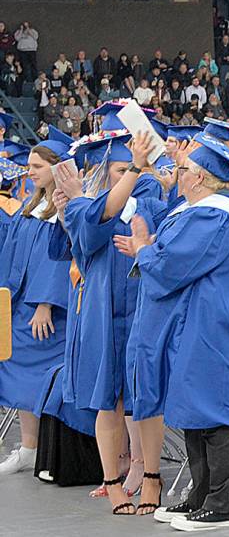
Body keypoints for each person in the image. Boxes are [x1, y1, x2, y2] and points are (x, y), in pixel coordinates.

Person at [115, 133, 229, 530]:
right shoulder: (199, 209)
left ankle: (223, 505)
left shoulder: (215, 215)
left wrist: (144, 249)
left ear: (198, 178)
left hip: (219, 327)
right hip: (202, 324)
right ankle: (201, 495)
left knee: (214, 411)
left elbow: (171, 265)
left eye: (182, 169)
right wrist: (149, 247)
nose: (175, 173)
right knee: (195, 409)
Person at [51, 133, 169, 513]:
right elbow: (90, 226)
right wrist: (73, 206)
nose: (128, 175)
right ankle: (112, 481)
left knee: (146, 396)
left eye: (129, 169)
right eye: (118, 170)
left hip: (141, 307)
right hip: (104, 311)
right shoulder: (83, 207)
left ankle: (151, 476)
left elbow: (159, 235)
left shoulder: (149, 200)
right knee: (111, 400)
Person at [0, 134, 72, 476]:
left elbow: (59, 260)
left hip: (48, 311)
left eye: (37, 166)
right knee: (17, 372)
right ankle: (29, 448)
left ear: (57, 168)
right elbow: (10, 255)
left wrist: (45, 302)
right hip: (20, 305)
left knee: (43, 378)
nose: (30, 172)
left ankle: (49, 451)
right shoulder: (30, 208)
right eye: (29, 166)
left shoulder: (64, 211)